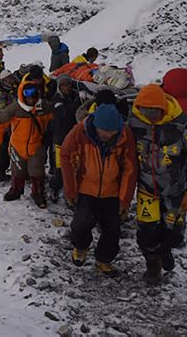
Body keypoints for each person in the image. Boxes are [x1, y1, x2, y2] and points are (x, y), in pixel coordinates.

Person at [128, 84, 187, 284]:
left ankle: (165, 250)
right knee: (146, 232)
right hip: (147, 188)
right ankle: (153, 265)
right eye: (145, 111)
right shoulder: (133, 121)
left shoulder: (184, 125)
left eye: (153, 111)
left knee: (173, 234)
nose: (149, 115)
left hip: (176, 191)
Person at [61, 104, 137, 275]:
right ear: (95, 126)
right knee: (81, 224)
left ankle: (104, 260)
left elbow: (130, 169)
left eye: (111, 132)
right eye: (103, 131)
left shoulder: (124, 135)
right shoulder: (80, 132)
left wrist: (124, 200)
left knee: (112, 229)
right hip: (86, 188)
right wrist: (70, 191)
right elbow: (66, 156)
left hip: (112, 191)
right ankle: (81, 247)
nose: (107, 135)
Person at [0, 81, 53, 208]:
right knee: (17, 170)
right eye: (27, 96)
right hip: (17, 146)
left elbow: (53, 120)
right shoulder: (15, 108)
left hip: (36, 145)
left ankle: (38, 192)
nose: (30, 99)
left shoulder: (44, 107)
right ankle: (16, 190)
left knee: (37, 171)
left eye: (33, 96)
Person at [50, 74, 80, 202]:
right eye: (63, 85)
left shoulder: (74, 95)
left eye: (67, 84)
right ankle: (55, 187)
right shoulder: (56, 100)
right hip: (60, 137)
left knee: (74, 164)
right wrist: (78, 101)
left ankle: (73, 189)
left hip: (74, 136)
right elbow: (65, 115)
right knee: (59, 165)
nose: (66, 87)